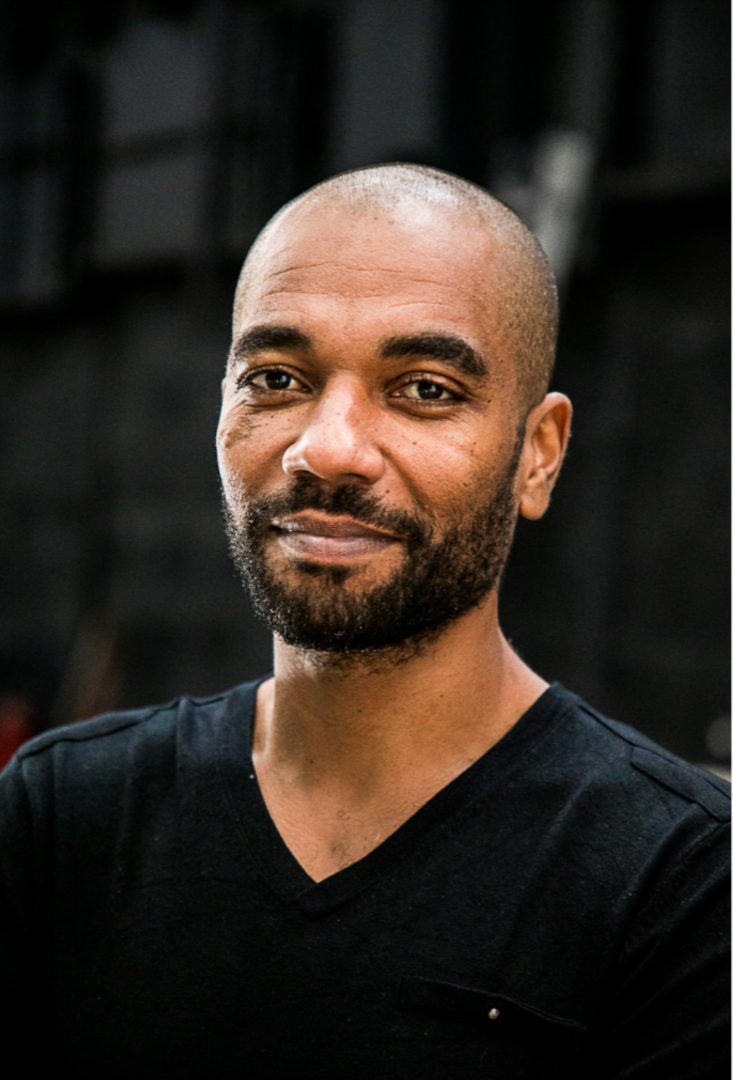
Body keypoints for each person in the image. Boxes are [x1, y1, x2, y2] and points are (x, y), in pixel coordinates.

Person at [0, 165, 729, 1079]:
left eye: (424, 389)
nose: (329, 449)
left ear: (537, 456)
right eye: (276, 378)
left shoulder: (679, 878)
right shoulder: (65, 811)